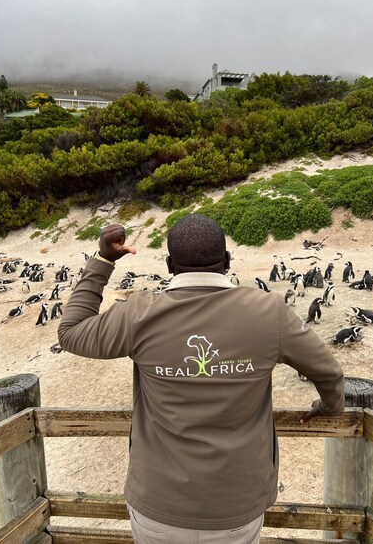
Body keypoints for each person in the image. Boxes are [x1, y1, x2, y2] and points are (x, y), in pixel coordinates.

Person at [58, 214, 344, 544]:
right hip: (236, 506)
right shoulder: (269, 312)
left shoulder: (138, 313)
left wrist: (103, 261)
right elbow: (329, 373)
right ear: (226, 261)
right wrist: (329, 406)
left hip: (158, 504)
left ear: (169, 264)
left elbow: (70, 333)